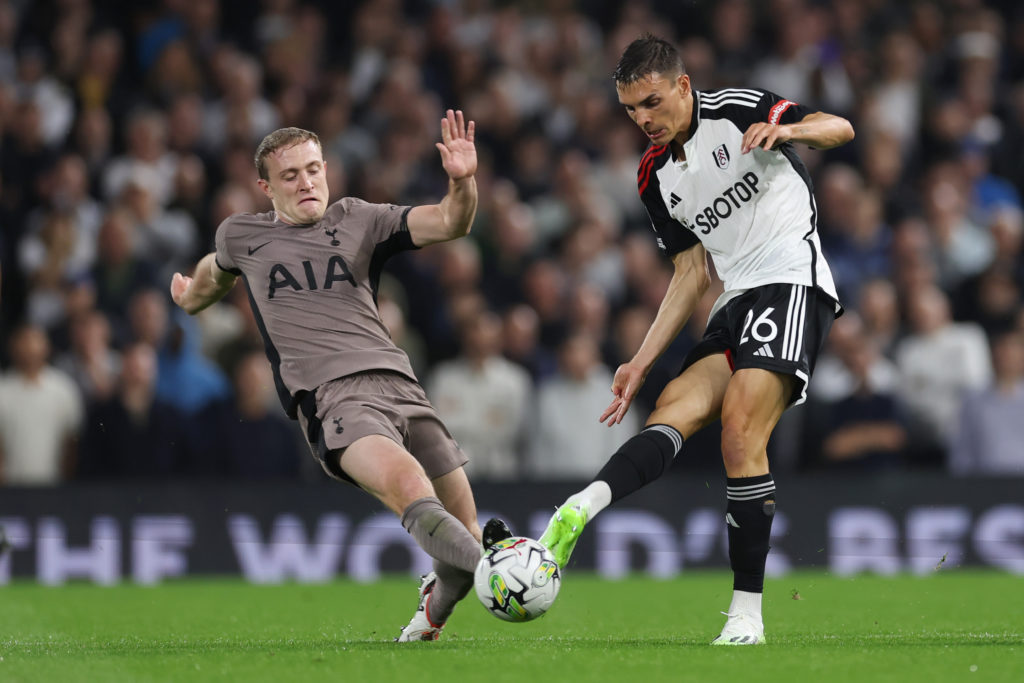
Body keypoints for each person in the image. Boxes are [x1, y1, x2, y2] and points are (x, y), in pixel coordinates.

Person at [537, 35, 854, 645]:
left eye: (652, 103)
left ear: (683, 86)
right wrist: (639, 359)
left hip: (791, 279)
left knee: (739, 428)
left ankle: (747, 616)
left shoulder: (736, 108)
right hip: (734, 299)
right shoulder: (654, 176)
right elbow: (689, 274)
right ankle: (581, 507)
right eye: (631, 110)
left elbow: (839, 128)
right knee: (673, 407)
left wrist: (786, 133)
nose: (643, 120)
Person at [169, 112, 509, 642]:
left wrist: (463, 181)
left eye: (312, 170)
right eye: (290, 176)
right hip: (333, 399)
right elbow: (214, 272)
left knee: (460, 538)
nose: (305, 182)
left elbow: (451, 223)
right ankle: (499, 570)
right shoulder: (243, 235)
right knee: (410, 488)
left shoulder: (360, 219)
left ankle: (431, 617)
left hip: (401, 384)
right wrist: (190, 297)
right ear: (265, 187)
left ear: (326, 169)